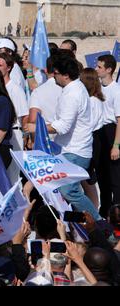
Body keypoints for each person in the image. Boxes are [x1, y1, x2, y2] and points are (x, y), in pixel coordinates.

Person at [29, 55, 101, 220]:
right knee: (62, 191)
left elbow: (62, 126)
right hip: (68, 149)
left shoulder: (73, 94)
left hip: (75, 150)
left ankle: (98, 224)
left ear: (66, 75)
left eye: (55, 73)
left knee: (69, 191)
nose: (53, 76)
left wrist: (37, 127)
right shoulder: (73, 89)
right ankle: (77, 226)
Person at [0, 52, 28, 183]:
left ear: (8, 68)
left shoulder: (15, 89)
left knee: (12, 176)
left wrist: (25, 138)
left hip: (14, 133)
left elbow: (24, 115)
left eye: (0, 65)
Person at [95, 54, 120, 218]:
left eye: (99, 67)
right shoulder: (98, 89)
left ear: (109, 69)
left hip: (112, 132)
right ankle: (104, 211)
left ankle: (117, 213)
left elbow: (119, 120)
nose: (97, 69)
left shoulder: (116, 90)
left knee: (115, 178)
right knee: (102, 176)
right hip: (99, 133)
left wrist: (116, 145)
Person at [80, 68, 104, 210]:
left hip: (92, 139)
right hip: (91, 138)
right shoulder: (92, 99)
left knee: (88, 179)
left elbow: (90, 123)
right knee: (86, 179)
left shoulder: (93, 101)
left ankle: (94, 209)